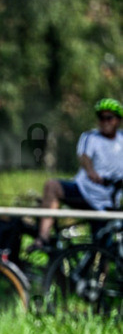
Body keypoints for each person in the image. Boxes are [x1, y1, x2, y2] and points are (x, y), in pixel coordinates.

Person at [33, 98, 123, 249]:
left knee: (103, 250)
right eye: (101, 118)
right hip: (84, 191)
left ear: (118, 120)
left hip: (108, 201)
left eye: (109, 118)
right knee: (52, 186)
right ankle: (43, 237)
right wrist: (92, 173)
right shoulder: (91, 137)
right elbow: (84, 157)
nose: (105, 122)